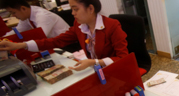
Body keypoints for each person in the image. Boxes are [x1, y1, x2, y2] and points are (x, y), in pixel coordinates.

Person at [0, 0, 129, 71]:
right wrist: (21, 45)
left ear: (90, 9)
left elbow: (123, 58)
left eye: (75, 9)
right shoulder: (80, 26)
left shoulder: (112, 25)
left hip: (114, 70)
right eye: (72, 9)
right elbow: (55, 41)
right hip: (96, 69)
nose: (73, 13)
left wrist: (93, 62)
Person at [0, 0, 70, 38]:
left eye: (13, 12)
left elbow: (40, 38)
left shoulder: (42, 16)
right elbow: (19, 30)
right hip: (54, 44)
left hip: (68, 45)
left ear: (23, 8)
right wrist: (2, 39)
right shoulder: (27, 15)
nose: (12, 16)